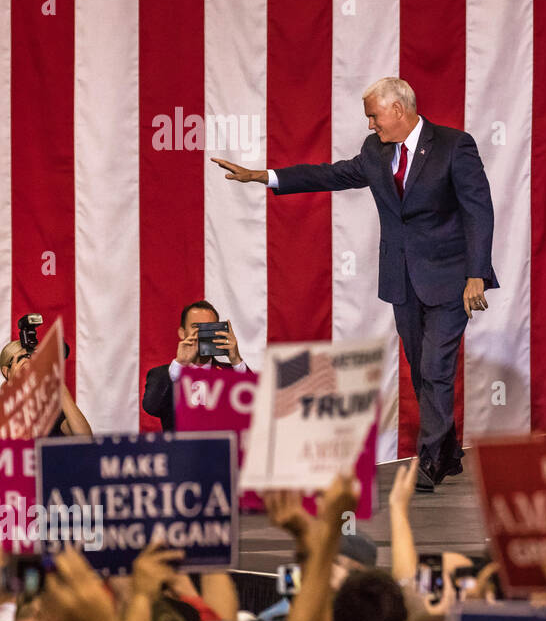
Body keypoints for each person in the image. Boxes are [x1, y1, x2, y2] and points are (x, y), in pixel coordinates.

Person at [211, 77, 498, 493]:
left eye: (373, 115)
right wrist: (264, 176)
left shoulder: (455, 146)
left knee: (436, 367)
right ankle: (450, 453)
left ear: (398, 110)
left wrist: (477, 274)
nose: (369, 125)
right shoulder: (375, 152)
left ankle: (432, 459)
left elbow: (479, 210)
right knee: (422, 369)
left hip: (451, 281)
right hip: (402, 281)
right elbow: (332, 174)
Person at [142, 300, 248, 432]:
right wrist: (179, 365)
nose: (202, 334)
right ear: (182, 333)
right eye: (196, 327)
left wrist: (236, 360)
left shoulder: (231, 374)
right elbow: (152, 407)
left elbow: (256, 408)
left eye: (209, 328)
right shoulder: (162, 374)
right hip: (180, 450)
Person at [0, 340, 91, 437]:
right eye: (22, 358)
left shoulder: (48, 407)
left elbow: (85, 439)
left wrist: (60, 387)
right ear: (7, 372)